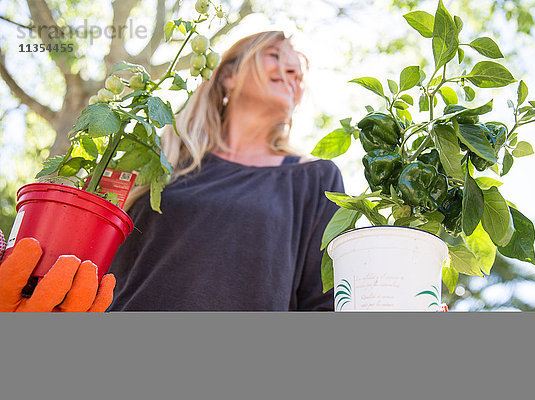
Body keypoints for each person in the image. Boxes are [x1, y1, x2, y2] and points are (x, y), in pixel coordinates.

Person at [0, 31, 343, 312]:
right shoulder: (160, 158)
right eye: (274, 55)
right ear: (228, 75)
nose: (291, 72)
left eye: (298, 71)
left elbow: (325, 302)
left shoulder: (317, 179)